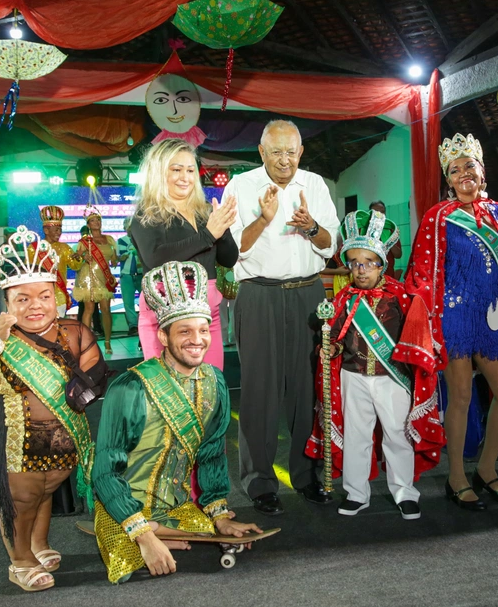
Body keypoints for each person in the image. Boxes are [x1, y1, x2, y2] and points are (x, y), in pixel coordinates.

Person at [91, 261, 261, 582]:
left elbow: (211, 454)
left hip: (176, 508)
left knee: (207, 531)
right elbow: (104, 472)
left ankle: (164, 529)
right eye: (184, 331)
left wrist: (220, 515)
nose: (197, 340)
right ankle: (150, 532)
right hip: (123, 509)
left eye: (202, 329)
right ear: (163, 337)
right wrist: (144, 535)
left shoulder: (215, 382)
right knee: (125, 565)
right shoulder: (130, 387)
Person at [0, 226, 104, 592]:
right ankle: (20, 559)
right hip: (20, 439)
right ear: (7, 304)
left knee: (46, 493)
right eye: (22, 299)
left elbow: (94, 367)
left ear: (56, 296)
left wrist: (86, 382)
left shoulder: (72, 331)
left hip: (66, 437)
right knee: (23, 498)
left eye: (43, 295)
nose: (35, 305)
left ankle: (38, 545)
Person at [406, 132, 498, 510]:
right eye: (455, 169)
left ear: (483, 172)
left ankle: (487, 468)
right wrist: (429, 322)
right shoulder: (438, 217)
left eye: (470, 166)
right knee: (460, 396)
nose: (464, 173)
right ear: (448, 180)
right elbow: (423, 272)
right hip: (454, 317)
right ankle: (456, 477)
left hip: (491, 318)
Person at [226, 119, 340, 515]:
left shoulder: (316, 185)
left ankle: (307, 477)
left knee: (308, 390)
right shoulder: (240, 187)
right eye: (276, 151)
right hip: (259, 295)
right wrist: (263, 218)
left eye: (291, 151)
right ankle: (260, 484)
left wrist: (311, 227)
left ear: (301, 152)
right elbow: (231, 248)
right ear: (261, 152)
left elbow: (331, 246)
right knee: (259, 392)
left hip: (309, 295)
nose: (284, 159)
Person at [306, 210, 443, 520]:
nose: (361, 270)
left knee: (397, 434)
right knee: (356, 435)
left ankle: (405, 492)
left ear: (383, 263)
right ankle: (356, 493)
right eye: (355, 264)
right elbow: (339, 337)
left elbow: (417, 337)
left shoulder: (401, 297)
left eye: (368, 263)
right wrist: (331, 349)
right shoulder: (343, 299)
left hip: (391, 378)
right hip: (352, 377)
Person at [129, 138, 238, 368]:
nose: (185, 177)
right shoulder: (146, 214)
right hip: (164, 320)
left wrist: (223, 228)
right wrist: (209, 234)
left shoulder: (204, 211)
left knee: (210, 389)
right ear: (159, 173)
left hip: (207, 318)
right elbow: (156, 257)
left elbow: (228, 259)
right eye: (176, 169)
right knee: (171, 397)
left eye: (190, 170)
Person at [74, 206, 118, 356]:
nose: (96, 223)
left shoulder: (110, 239)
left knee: (106, 309)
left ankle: (107, 341)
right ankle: (86, 342)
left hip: (104, 277)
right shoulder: (85, 241)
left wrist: (115, 259)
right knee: (89, 309)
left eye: (98, 220)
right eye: (92, 221)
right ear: (88, 224)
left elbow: (114, 261)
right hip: (89, 277)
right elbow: (76, 258)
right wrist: (82, 257)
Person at [39, 206, 82, 318]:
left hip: (59, 294)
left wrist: (78, 258)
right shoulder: (34, 249)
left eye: (60, 229)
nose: (59, 233)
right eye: (56, 230)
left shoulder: (64, 247)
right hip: (39, 295)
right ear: (46, 230)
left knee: (58, 328)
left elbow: (75, 266)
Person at [115, 218, 142, 335]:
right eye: (129, 226)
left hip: (141, 274)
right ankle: (133, 326)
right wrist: (122, 257)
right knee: (128, 303)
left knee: (146, 302)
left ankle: (144, 324)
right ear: (125, 228)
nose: (131, 229)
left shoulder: (142, 240)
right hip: (126, 275)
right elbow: (116, 258)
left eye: (133, 226)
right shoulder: (121, 241)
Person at [369, 201, 403, 278]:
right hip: (371, 275)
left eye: (383, 211)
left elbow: (398, 255)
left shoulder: (391, 230)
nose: (380, 214)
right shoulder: (365, 231)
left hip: (388, 275)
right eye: (376, 212)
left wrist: (388, 240)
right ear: (371, 214)